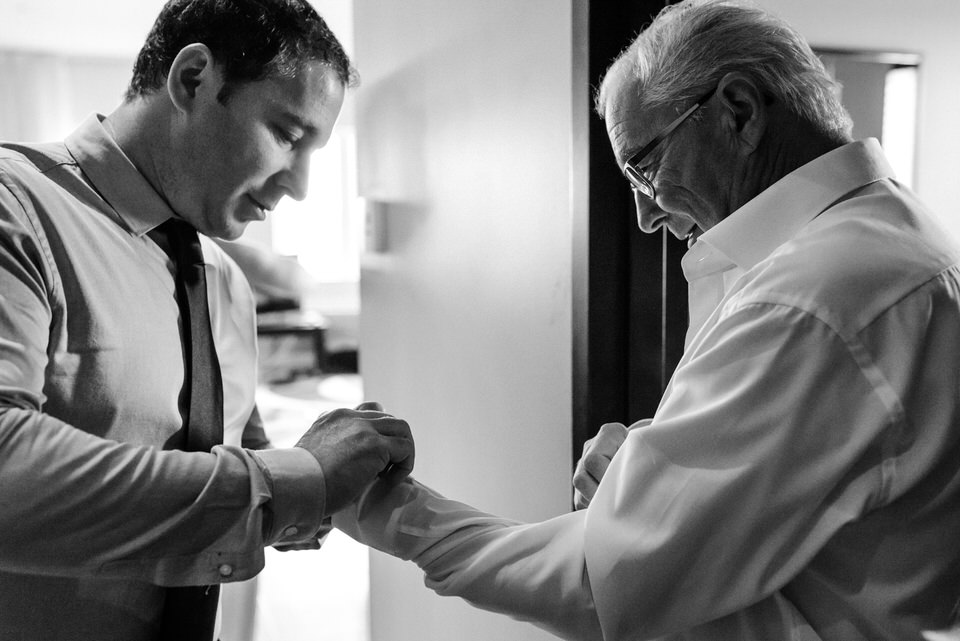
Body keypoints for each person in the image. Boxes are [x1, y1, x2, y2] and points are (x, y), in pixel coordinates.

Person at [331, 1, 960, 639]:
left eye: (645, 166)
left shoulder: (809, 302)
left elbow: (600, 586)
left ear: (737, 111)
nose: (645, 215)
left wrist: (384, 509)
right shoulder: (893, 237)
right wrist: (654, 467)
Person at [0, 0, 413, 639]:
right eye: (287, 134)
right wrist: (289, 483)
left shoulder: (225, 284)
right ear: (193, 79)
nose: (300, 186)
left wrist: (324, 484)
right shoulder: (16, 211)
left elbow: (228, 463)